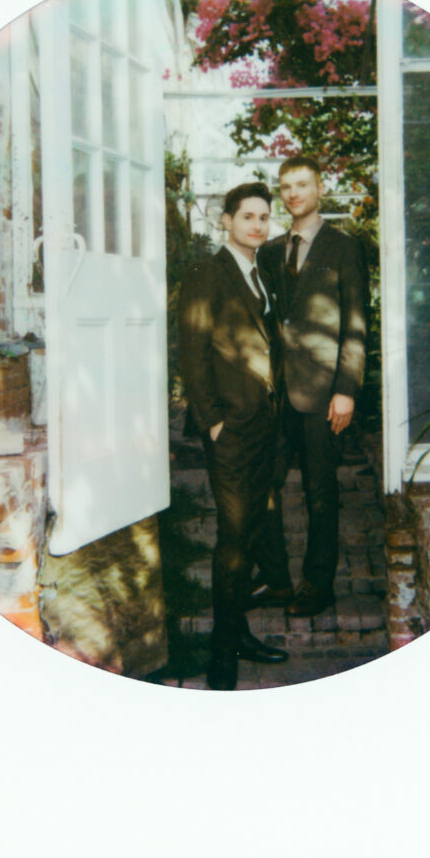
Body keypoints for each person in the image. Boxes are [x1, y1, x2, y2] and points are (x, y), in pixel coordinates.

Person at [178, 181, 291, 691]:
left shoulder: (260, 271)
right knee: (233, 537)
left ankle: (239, 632)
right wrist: (211, 420)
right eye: (248, 216)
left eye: (264, 217)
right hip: (232, 428)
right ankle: (222, 658)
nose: (258, 225)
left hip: (264, 424)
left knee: (248, 533)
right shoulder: (208, 271)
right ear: (226, 220)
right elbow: (193, 348)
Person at [257, 156, 369, 618]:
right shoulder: (270, 250)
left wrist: (347, 389)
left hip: (324, 393)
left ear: (320, 188)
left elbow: (357, 322)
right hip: (275, 392)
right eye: (285, 186)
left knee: (320, 492)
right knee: (264, 485)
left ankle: (317, 585)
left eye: (302, 184)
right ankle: (278, 579)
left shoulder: (344, 248)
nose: (293, 193)